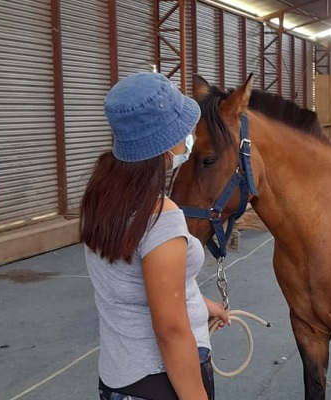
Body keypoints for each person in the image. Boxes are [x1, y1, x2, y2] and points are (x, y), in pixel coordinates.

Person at [81, 72, 230, 400]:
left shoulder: (103, 197)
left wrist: (202, 304)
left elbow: (135, 282)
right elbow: (171, 331)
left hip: (120, 378)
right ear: (165, 141)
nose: (190, 136)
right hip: (161, 383)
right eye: (185, 129)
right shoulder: (162, 220)